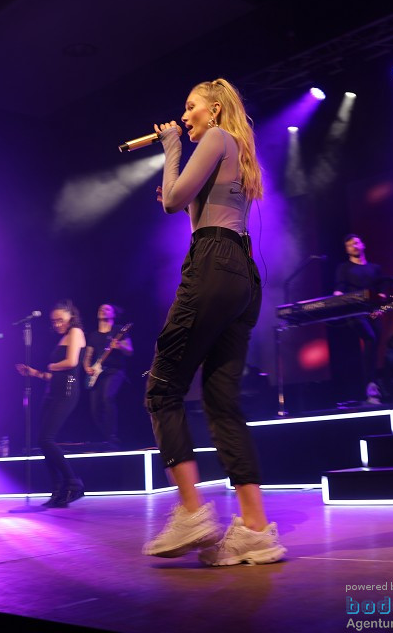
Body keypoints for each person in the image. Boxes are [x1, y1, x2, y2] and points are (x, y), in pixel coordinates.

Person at [142, 78, 286, 566]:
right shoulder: (234, 150)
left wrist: (171, 149)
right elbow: (194, 215)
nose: (184, 117)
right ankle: (254, 529)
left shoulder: (216, 139)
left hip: (214, 264)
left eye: (190, 108)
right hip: (241, 273)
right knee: (222, 402)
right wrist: (180, 172)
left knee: (162, 390)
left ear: (216, 109)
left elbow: (171, 202)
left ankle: (191, 511)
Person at [15, 300, 87, 507]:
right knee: (42, 440)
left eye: (60, 320)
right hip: (54, 390)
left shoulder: (76, 332)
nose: (56, 324)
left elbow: (72, 363)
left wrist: (51, 365)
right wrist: (35, 373)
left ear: (71, 317)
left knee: (47, 438)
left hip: (67, 390)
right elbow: (53, 375)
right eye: (53, 321)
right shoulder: (64, 337)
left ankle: (73, 483)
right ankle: (58, 490)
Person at [333, 234, 383, 404]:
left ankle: (373, 385)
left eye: (355, 243)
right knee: (370, 338)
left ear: (362, 245)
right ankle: (371, 385)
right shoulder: (344, 268)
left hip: (374, 312)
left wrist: (382, 307)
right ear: (346, 250)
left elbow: (383, 291)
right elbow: (340, 288)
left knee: (373, 346)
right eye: (349, 245)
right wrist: (337, 297)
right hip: (355, 311)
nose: (353, 246)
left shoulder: (375, 268)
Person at [83, 303, 133, 450]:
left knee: (107, 397)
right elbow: (88, 355)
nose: (102, 310)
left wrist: (120, 346)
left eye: (107, 309)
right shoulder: (93, 335)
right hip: (97, 374)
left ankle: (113, 438)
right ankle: (107, 438)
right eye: (100, 308)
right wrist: (87, 367)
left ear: (113, 314)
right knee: (95, 410)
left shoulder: (119, 330)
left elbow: (130, 350)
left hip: (115, 371)